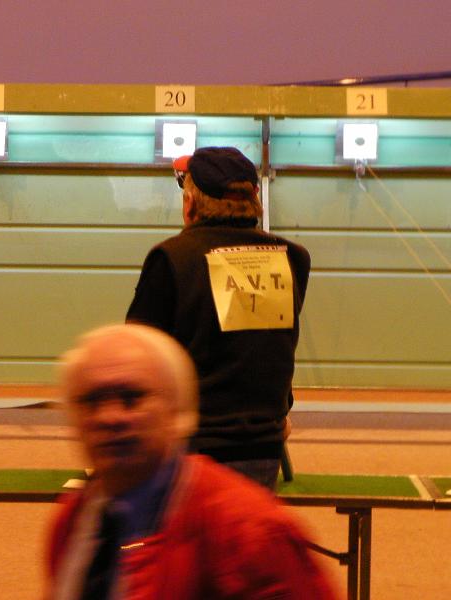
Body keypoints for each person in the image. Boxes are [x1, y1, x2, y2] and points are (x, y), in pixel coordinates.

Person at [46, 323, 336, 600]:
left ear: (176, 409)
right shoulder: (73, 522)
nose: (110, 417)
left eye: (132, 398)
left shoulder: (249, 534)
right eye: (91, 401)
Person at [126, 147, 311, 489]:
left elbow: (137, 357)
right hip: (265, 444)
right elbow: (263, 347)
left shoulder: (172, 258)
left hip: (189, 448)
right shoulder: (292, 258)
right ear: (254, 200)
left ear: (191, 204)